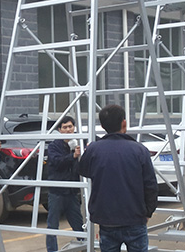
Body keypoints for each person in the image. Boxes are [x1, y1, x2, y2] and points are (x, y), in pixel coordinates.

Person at [78, 105, 158, 252]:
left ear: (102, 126)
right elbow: (151, 185)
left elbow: (84, 171)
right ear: (124, 123)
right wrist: (148, 212)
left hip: (106, 220)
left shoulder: (94, 150)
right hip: (135, 218)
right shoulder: (139, 150)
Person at [46, 116, 85, 252]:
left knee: (78, 224)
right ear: (60, 130)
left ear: (74, 128)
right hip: (57, 192)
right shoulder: (54, 146)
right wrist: (72, 156)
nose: (68, 130)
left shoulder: (78, 143)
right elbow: (56, 162)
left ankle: (85, 247)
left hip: (72, 192)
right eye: (65, 127)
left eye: (70, 126)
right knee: (52, 226)